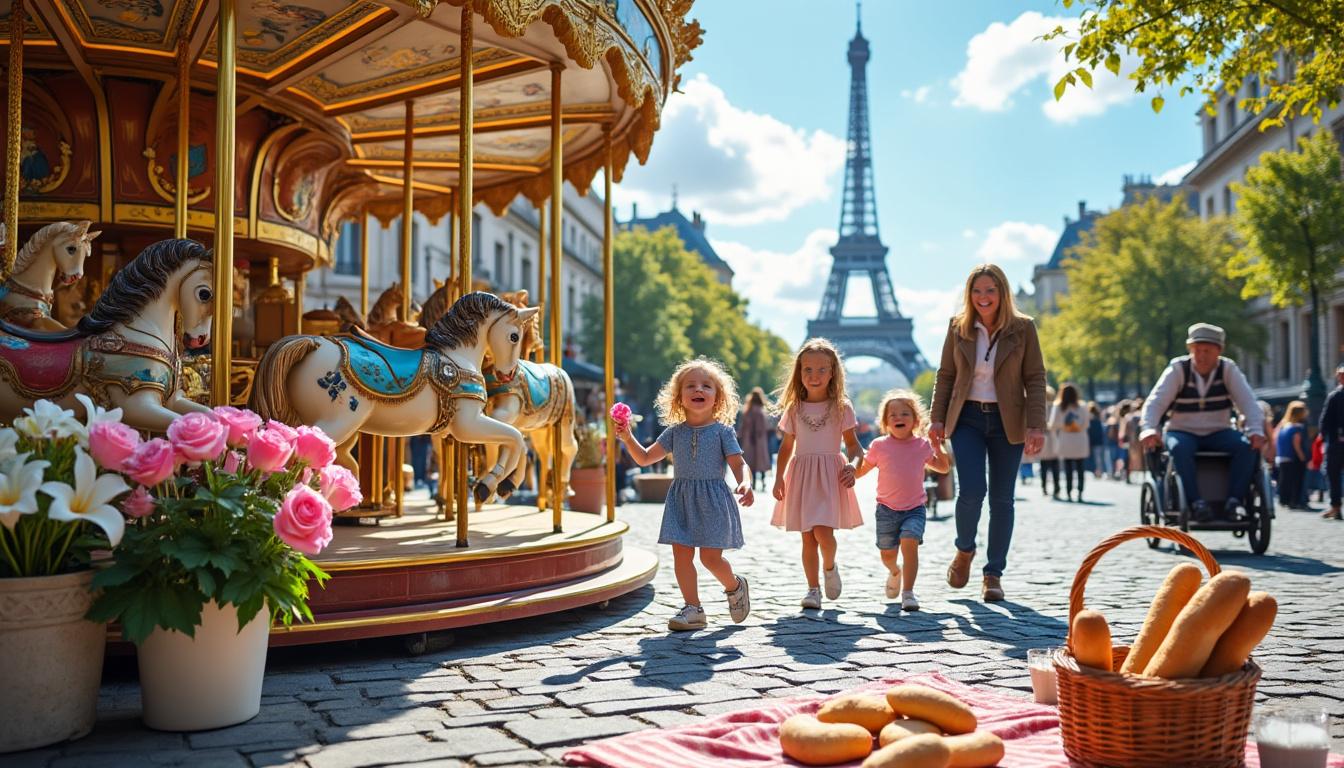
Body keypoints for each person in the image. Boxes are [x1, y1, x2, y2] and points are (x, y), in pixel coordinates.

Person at [930, 264, 1047, 603]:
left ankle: (993, 574)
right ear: (969, 294)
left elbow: (1035, 377)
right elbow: (945, 375)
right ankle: (964, 549)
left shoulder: (1023, 328)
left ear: (1002, 293)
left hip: (1007, 419)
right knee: (971, 491)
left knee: (1002, 500)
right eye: (977, 291)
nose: (983, 298)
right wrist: (936, 419)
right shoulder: (958, 327)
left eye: (990, 291)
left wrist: (1036, 424)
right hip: (966, 417)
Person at [614, 357, 754, 631]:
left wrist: (745, 483)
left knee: (710, 559)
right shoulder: (674, 433)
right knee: (681, 555)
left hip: (713, 500)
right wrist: (628, 437)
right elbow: (644, 458)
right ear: (679, 397)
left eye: (706, 385)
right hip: (681, 500)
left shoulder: (723, 431)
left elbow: (739, 464)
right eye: (690, 385)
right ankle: (693, 608)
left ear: (718, 397)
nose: (698, 389)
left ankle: (735, 586)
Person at [771, 338, 864, 611]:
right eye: (808, 369)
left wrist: (853, 465)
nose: (814, 376)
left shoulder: (842, 407)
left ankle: (830, 566)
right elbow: (786, 447)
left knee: (824, 532)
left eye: (822, 369)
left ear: (833, 372)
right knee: (807, 537)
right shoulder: (794, 408)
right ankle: (813, 589)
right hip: (802, 476)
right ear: (799, 372)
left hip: (830, 477)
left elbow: (854, 446)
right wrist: (778, 478)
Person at [1139, 323, 1266, 522]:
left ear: (1219, 351)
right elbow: (1156, 402)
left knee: (1246, 447)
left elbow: (1248, 402)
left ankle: (1234, 501)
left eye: (1207, 351)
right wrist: (1148, 428)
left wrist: (1255, 430)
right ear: (1190, 349)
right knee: (1179, 448)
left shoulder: (1228, 369)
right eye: (1197, 350)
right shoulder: (1178, 369)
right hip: (1182, 430)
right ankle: (1196, 502)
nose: (1201, 356)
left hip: (1219, 431)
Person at [854, 389, 950, 612]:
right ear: (885, 422)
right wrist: (846, 468)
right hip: (886, 510)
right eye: (893, 415)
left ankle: (908, 593)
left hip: (915, 508)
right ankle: (894, 571)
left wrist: (939, 447)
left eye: (905, 414)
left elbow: (943, 467)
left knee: (910, 543)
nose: (899, 417)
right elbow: (861, 471)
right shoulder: (879, 446)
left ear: (916, 420)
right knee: (887, 554)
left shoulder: (922, 445)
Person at [1050, 383, 1091, 502]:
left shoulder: (1058, 406)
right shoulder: (1082, 406)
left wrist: (1065, 427)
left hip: (1066, 440)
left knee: (1068, 468)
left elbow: (1053, 424)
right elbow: (1086, 424)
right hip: (1080, 440)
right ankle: (1080, 491)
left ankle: (1068, 492)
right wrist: (1076, 427)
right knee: (1080, 468)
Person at [1318, 362, 1344, 519]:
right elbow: (1325, 422)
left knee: (1333, 474)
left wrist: (1325, 437)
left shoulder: (1335, 396)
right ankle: (1335, 506)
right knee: (1332, 475)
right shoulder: (1334, 396)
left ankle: (1335, 507)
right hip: (1336, 442)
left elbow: (1324, 421)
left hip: (1336, 443)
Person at [1274, 400, 1309, 510]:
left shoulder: (1284, 425)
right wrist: (1303, 458)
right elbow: (1296, 442)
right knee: (1295, 481)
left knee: (1284, 480)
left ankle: (1284, 500)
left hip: (1281, 456)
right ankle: (1295, 501)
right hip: (1292, 457)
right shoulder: (1297, 427)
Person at [738, 387, 773, 491]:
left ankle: (752, 482)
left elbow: (743, 426)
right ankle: (763, 482)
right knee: (761, 461)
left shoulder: (747, 410)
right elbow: (765, 426)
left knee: (750, 461)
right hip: (760, 439)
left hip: (749, 439)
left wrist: (741, 436)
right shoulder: (761, 411)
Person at [1038, 385, 1060, 499]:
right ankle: (1056, 488)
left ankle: (1044, 487)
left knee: (1044, 466)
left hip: (1044, 438)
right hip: (1054, 438)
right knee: (1055, 466)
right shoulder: (1055, 407)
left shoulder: (1040, 408)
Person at [1087, 402, 1106, 479]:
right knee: (1098, 458)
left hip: (1092, 441)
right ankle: (1098, 472)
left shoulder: (1091, 420)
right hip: (1098, 441)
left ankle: (1097, 472)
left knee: (1095, 458)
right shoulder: (1099, 419)